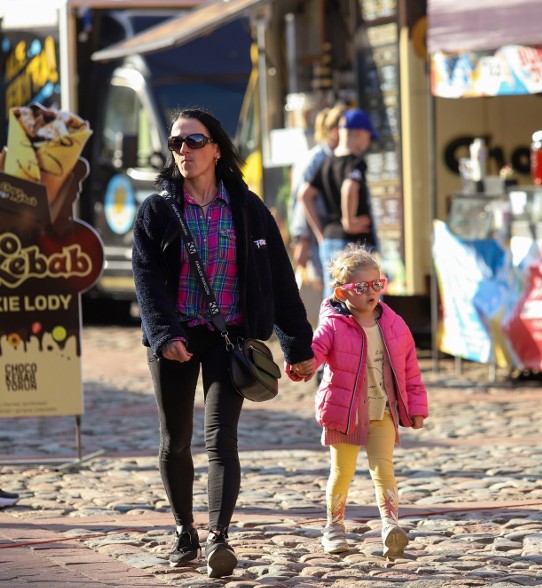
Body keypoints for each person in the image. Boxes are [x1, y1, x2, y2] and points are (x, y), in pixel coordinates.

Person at [132, 108, 316, 578]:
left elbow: (279, 277)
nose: (184, 152)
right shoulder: (157, 209)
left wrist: (298, 346)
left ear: (217, 148)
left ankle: (218, 537)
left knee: (221, 439)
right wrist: (165, 334)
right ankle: (182, 531)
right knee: (175, 440)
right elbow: (147, 279)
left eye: (193, 142)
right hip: (177, 337)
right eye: (175, 144)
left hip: (228, 337)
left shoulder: (248, 208)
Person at [286, 243, 428, 560]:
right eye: (361, 287)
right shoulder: (333, 326)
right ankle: (333, 528)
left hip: (383, 413)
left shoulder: (395, 325)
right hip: (345, 413)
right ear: (341, 293)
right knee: (343, 471)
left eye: (377, 284)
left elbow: (410, 370)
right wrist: (300, 365)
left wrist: (416, 407)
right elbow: (314, 355)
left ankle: (390, 525)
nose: (371, 291)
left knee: (384, 469)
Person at [298, 108, 379, 298]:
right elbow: (349, 188)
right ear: (359, 134)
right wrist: (349, 220)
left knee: (334, 294)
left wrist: (320, 234)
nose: (368, 143)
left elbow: (304, 195)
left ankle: (330, 328)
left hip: (330, 239)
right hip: (353, 243)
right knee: (362, 297)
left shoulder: (326, 162)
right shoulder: (356, 162)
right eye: (369, 138)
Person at [289, 104, 348, 290]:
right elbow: (301, 199)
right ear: (336, 131)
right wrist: (303, 240)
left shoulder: (336, 156)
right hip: (318, 236)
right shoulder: (316, 158)